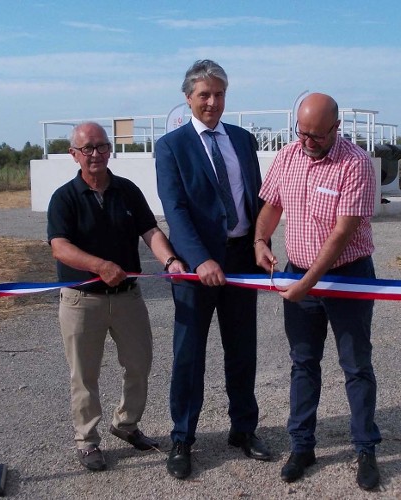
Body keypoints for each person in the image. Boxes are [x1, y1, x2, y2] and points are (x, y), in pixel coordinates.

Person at [253, 93, 382, 490]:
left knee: (355, 364)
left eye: (316, 136)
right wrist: (261, 240)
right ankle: (302, 446)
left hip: (347, 277)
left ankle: (365, 448)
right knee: (303, 362)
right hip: (299, 273)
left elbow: (343, 233)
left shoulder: (355, 164)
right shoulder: (289, 156)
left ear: (335, 129)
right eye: (302, 133)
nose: (307, 141)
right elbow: (272, 204)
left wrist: (306, 283)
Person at [155, 59, 271, 480]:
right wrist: (199, 258)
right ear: (188, 98)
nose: (212, 102)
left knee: (243, 351)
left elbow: (256, 199)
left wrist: (261, 243)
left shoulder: (242, 140)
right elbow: (176, 209)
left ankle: (243, 430)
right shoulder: (171, 147)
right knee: (189, 356)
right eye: (204, 94)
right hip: (195, 267)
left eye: (219, 94)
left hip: (241, 260)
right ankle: (183, 437)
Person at [47, 121, 186, 471]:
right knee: (84, 374)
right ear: (74, 155)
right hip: (82, 300)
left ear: (110, 150)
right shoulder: (64, 197)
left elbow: (150, 230)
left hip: (127, 298)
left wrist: (169, 260)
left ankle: (126, 424)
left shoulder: (127, 191)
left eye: (101, 147)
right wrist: (99, 265)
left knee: (139, 364)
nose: (95, 154)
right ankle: (87, 441)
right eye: (87, 149)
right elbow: (60, 247)